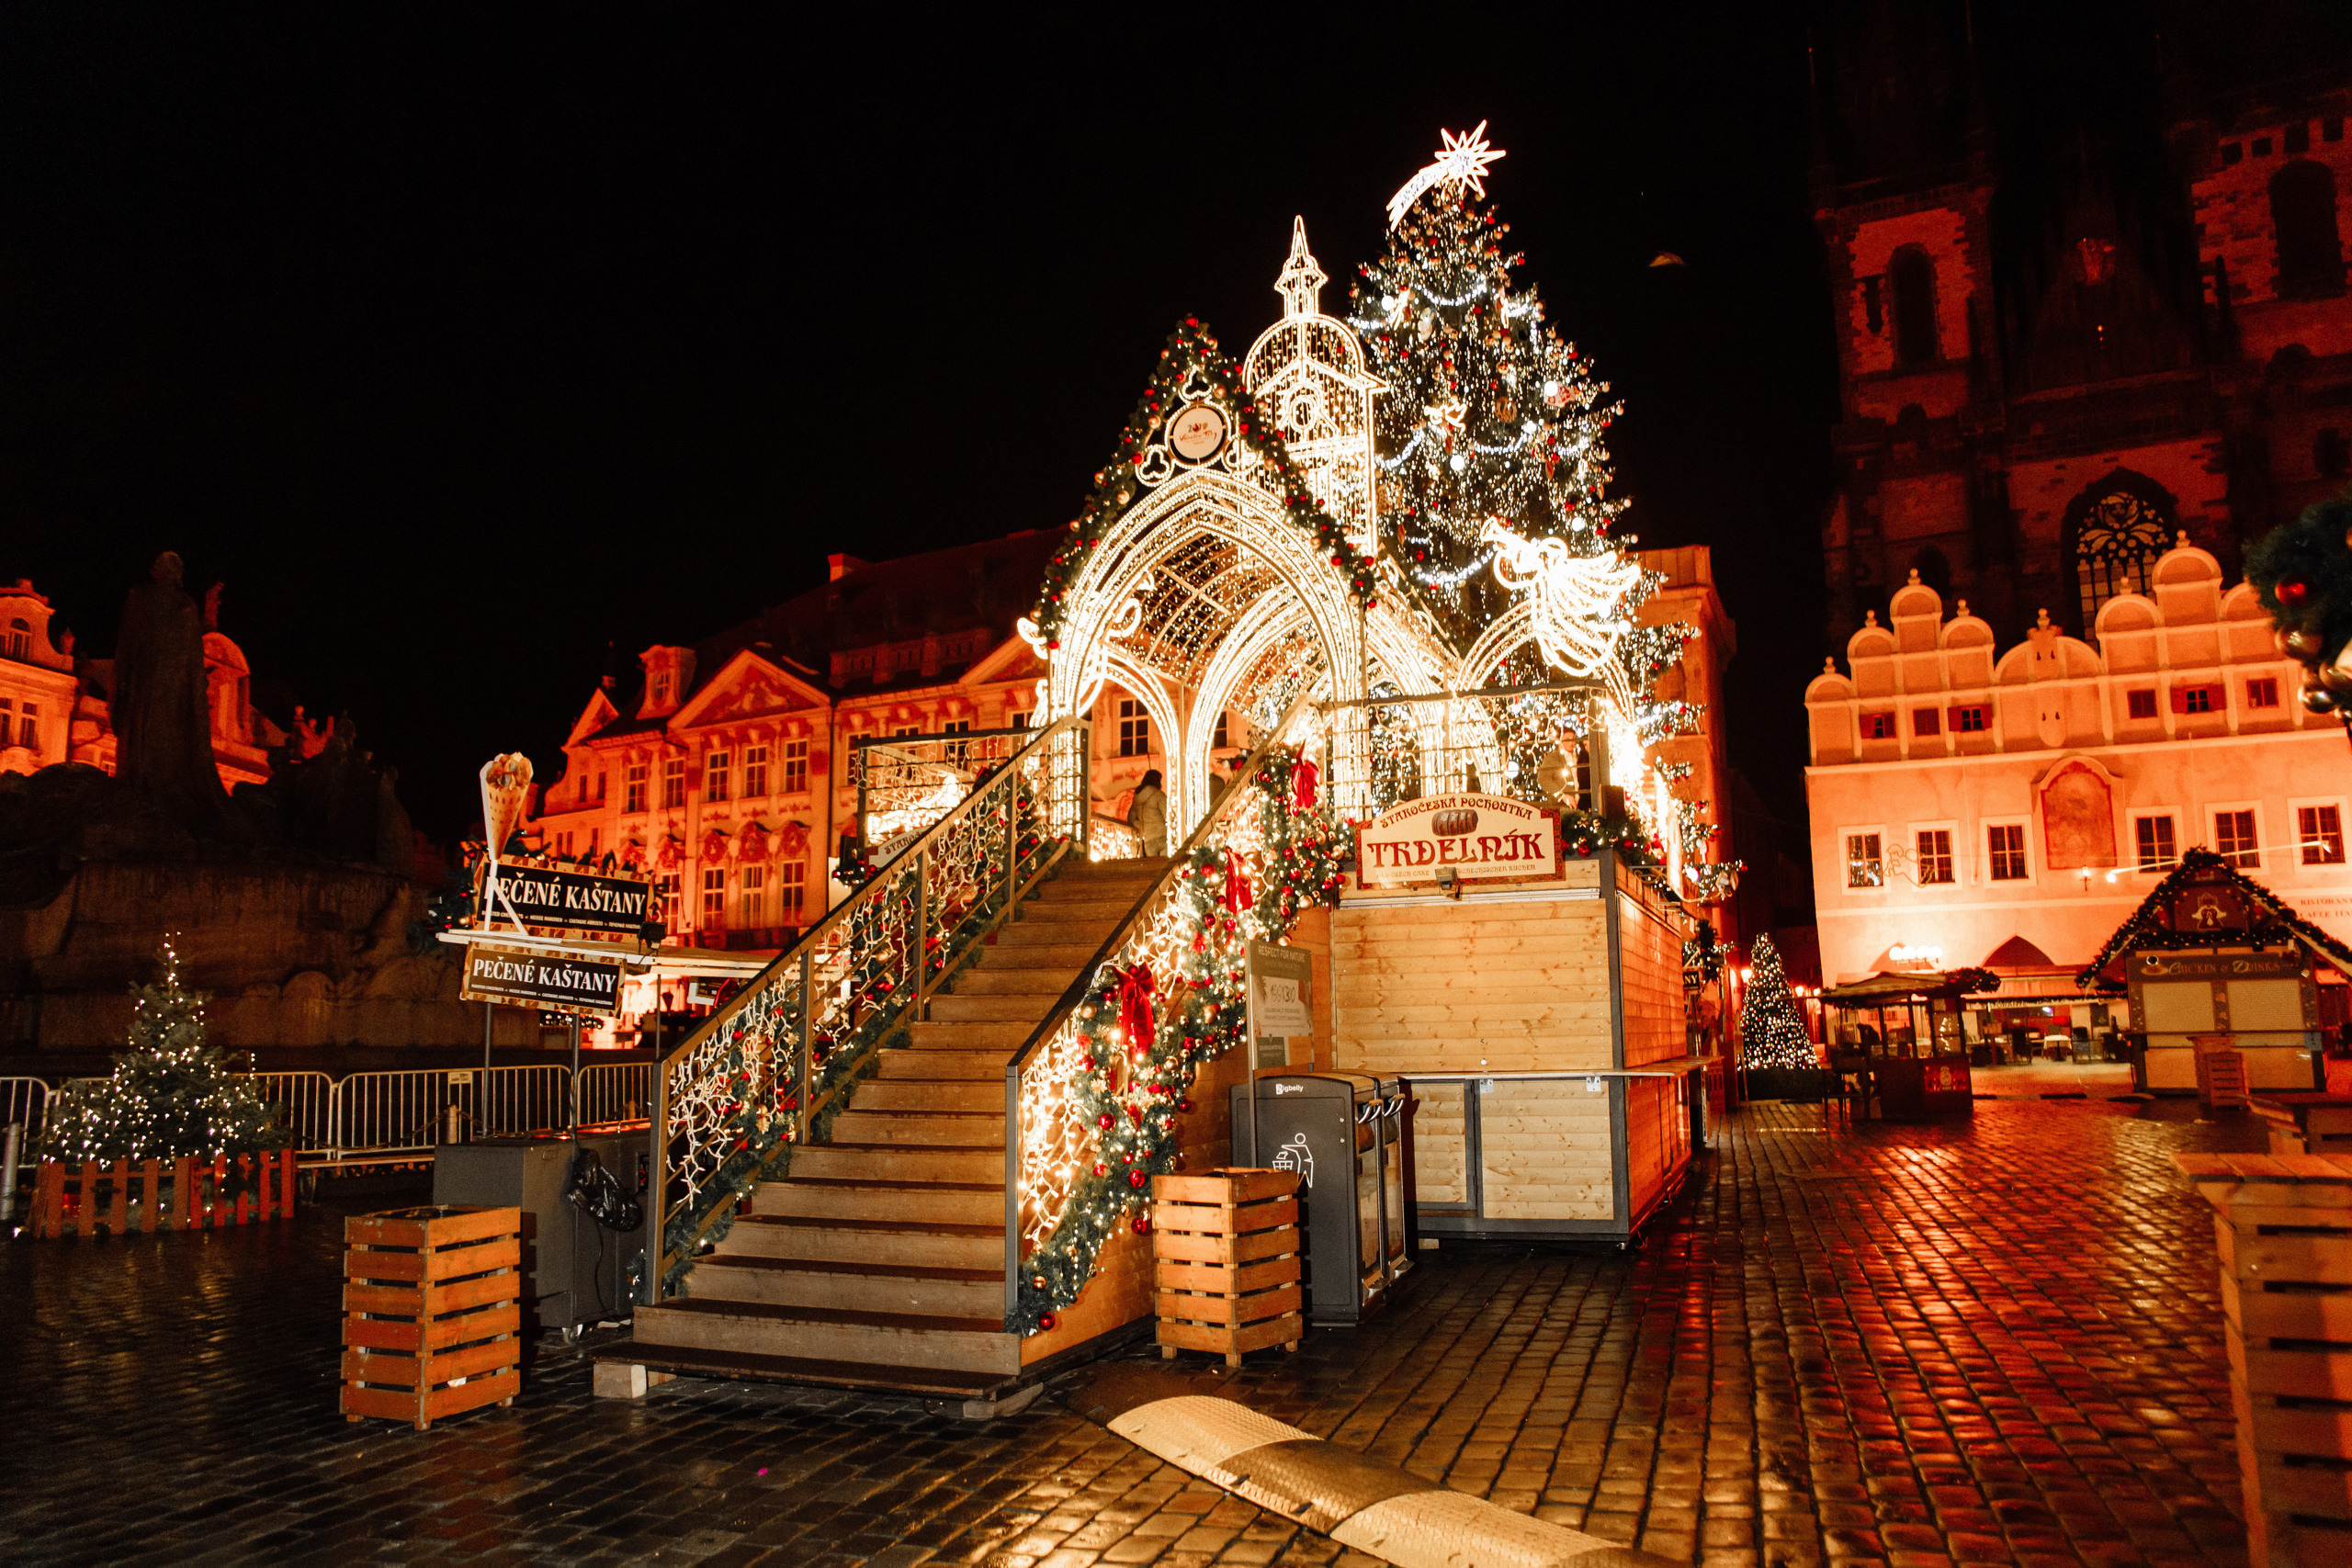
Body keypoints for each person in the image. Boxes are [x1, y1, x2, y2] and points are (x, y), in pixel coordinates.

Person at [1129, 769, 1168, 857]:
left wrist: (1140, 825)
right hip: (1163, 836)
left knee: (1154, 865)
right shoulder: (1159, 795)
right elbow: (1167, 815)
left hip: (1148, 840)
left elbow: (1131, 818)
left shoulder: (1136, 800)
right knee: (1165, 864)